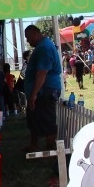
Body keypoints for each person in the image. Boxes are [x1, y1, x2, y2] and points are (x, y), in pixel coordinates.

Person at [23, 24, 62, 153]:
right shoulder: (41, 46)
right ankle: (33, 145)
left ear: (36, 34)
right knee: (34, 119)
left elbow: (42, 72)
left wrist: (34, 94)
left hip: (46, 90)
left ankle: (51, 149)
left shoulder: (44, 47)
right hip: (41, 91)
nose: (28, 41)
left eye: (28, 38)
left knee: (47, 121)